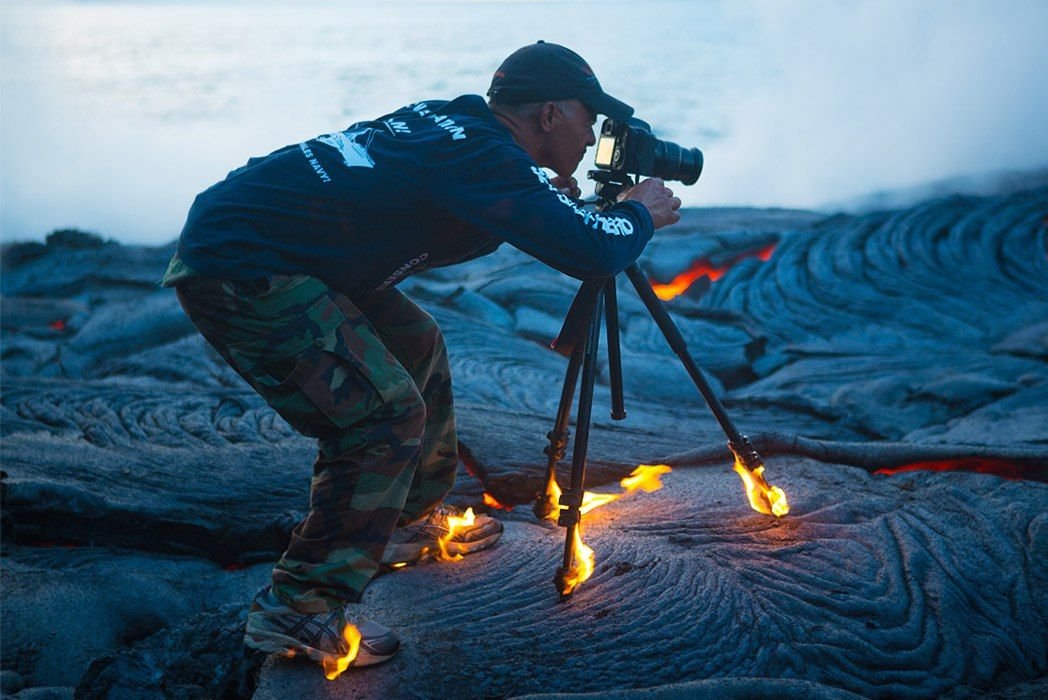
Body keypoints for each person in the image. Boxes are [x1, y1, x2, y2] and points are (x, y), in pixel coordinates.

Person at [162, 40, 681, 670]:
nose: (594, 130)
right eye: (587, 115)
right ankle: (297, 605)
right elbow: (593, 252)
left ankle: (403, 522)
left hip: (286, 250)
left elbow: (483, 195)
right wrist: (640, 216)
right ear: (549, 115)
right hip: (243, 264)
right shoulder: (481, 156)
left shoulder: (459, 125)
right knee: (380, 416)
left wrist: (541, 192)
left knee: (416, 343)